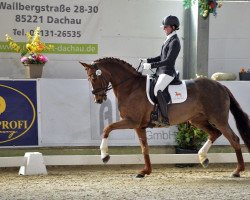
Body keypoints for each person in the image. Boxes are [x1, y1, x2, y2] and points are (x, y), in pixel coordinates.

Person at [142, 15, 181, 121]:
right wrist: (147, 60)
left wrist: (151, 66)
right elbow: (161, 57)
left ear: (173, 27)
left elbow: (168, 61)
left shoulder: (175, 42)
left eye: (166, 27)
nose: (164, 29)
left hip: (167, 72)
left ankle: (165, 118)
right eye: (164, 27)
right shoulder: (168, 40)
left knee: (157, 90)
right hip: (161, 71)